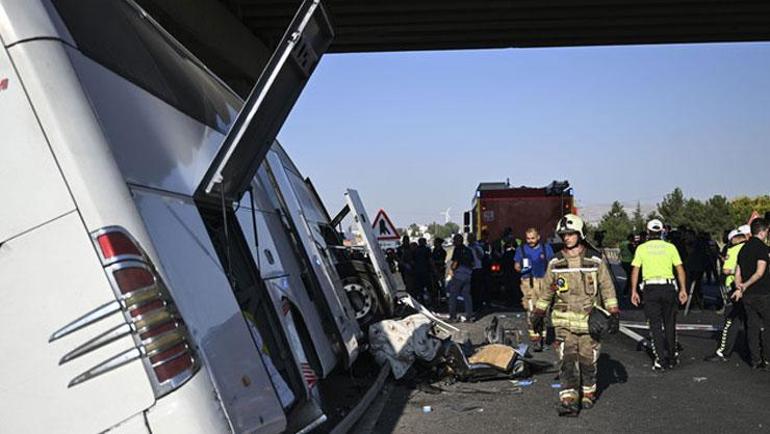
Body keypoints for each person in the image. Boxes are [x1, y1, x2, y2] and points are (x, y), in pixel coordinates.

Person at [531, 214, 619, 416]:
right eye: (564, 235)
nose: (567, 238)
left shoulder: (594, 261)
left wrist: (613, 313)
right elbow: (548, 290)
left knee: (588, 360)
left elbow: (606, 287)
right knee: (567, 360)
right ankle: (568, 398)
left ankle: (588, 392)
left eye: (571, 234)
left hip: (590, 323)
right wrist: (538, 313)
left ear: (580, 234)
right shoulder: (556, 262)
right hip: (564, 323)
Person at [630, 219, 688, 371]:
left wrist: (634, 291)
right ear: (662, 231)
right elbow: (680, 269)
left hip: (650, 289)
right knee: (670, 323)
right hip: (668, 287)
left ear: (648, 232)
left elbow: (635, 270)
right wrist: (683, 289)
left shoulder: (642, 248)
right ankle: (672, 357)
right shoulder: (670, 247)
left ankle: (660, 360)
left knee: (655, 325)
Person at [705, 228, 748, 362]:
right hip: (752, 288)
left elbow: (726, 269)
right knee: (751, 321)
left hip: (735, 288)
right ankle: (755, 351)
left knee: (730, 321)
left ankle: (723, 352)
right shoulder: (754, 248)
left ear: (735, 239)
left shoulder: (734, 250)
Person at [732, 218, 770, 369]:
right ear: (763, 231)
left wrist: (739, 288)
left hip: (747, 296)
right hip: (762, 293)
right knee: (768, 326)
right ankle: (767, 358)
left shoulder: (743, 248)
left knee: (752, 327)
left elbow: (737, 272)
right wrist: (746, 285)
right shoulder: (762, 248)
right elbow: (760, 272)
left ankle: (754, 360)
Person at [514, 227, 555, 351]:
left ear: (538, 237)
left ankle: (543, 336)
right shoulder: (521, 249)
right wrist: (521, 269)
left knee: (544, 310)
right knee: (531, 311)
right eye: (528, 238)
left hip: (544, 281)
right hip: (528, 282)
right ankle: (535, 339)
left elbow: (553, 264)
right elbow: (516, 265)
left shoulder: (545, 248)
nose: (530, 241)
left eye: (533, 238)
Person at [447, 234, 474, 322]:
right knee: (467, 296)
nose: (453, 242)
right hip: (468, 275)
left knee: (453, 295)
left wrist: (451, 269)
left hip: (459, 275)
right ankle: (469, 316)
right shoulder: (468, 250)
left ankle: (453, 317)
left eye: (454, 240)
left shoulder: (457, 249)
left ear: (458, 241)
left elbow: (455, 262)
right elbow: (473, 263)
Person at [467, 233, 486, 312]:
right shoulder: (468, 247)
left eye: (470, 238)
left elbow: (481, 256)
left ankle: (479, 305)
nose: (468, 239)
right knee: (472, 289)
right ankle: (474, 305)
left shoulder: (477, 247)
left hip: (477, 269)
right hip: (471, 270)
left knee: (477, 289)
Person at [412, 238, 434, 305]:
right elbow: (430, 260)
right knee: (429, 287)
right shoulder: (427, 250)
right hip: (426, 271)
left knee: (419, 288)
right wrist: (434, 269)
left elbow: (412, 261)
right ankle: (431, 302)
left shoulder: (415, 250)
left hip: (418, 272)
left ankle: (422, 302)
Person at [431, 237, 447, 303]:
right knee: (435, 286)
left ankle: (443, 299)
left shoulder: (442, 251)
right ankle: (436, 299)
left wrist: (435, 262)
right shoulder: (434, 250)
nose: (434, 243)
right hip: (434, 270)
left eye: (435, 242)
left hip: (440, 270)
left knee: (441, 285)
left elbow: (441, 261)